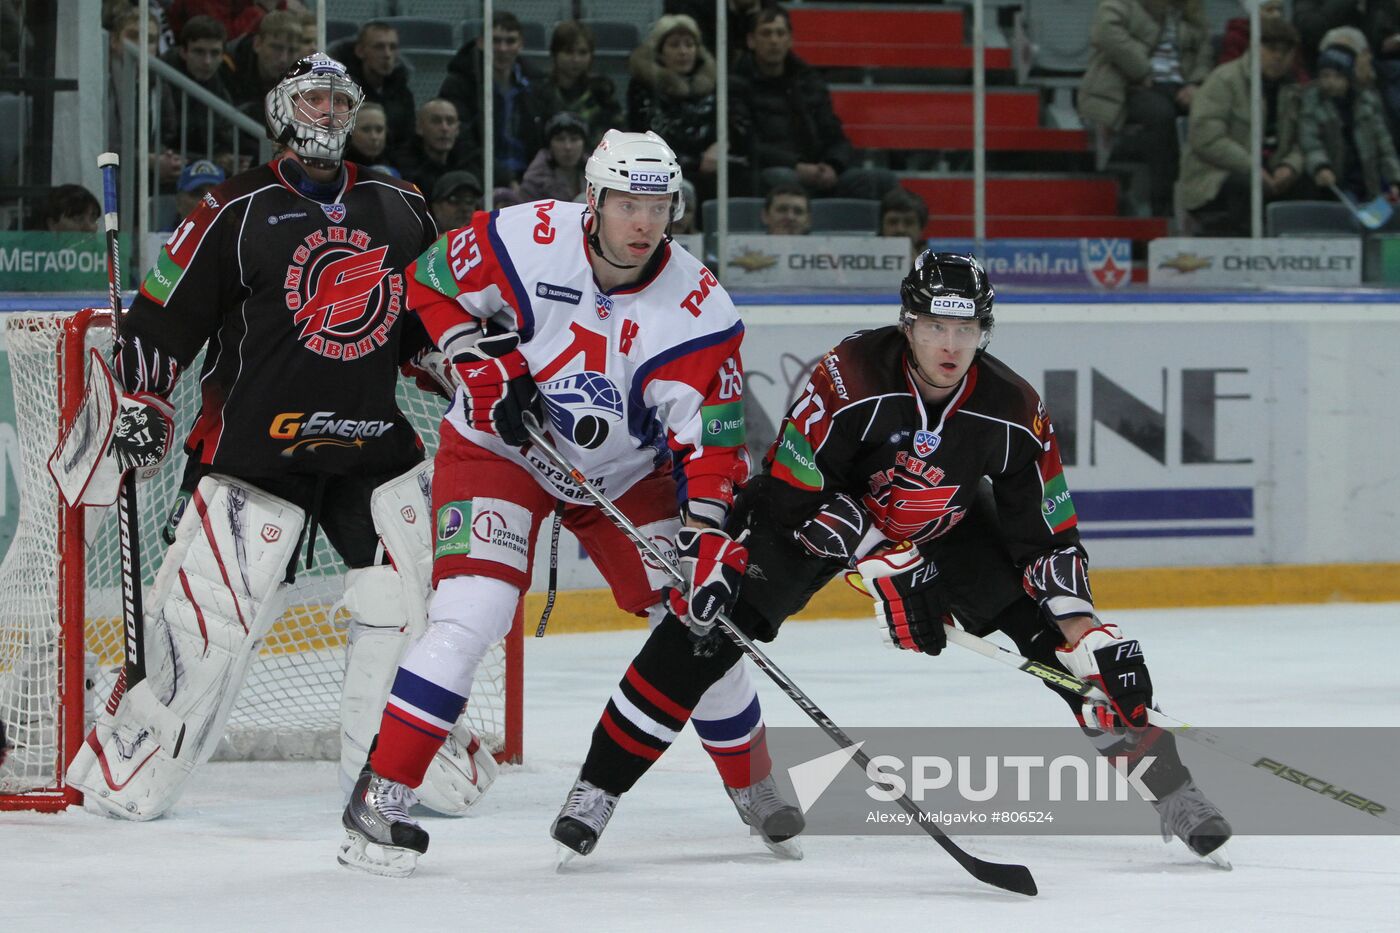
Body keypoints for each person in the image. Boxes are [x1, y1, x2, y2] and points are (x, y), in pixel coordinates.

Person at [559, 250, 1236, 869]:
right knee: (703, 631)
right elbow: (794, 493)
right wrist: (882, 560)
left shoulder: (1013, 411)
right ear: (907, 325)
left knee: (1069, 658)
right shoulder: (848, 375)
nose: (950, 344)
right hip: (820, 517)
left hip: (943, 524)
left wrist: (1086, 633)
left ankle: (1172, 791)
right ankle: (597, 787)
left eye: (967, 328)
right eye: (936, 327)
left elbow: (1047, 538)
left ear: (984, 331)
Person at [338, 129, 796, 877]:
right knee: (474, 608)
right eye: (626, 203)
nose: (642, 222)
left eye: (657, 205)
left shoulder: (702, 309)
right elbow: (427, 279)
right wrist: (475, 358)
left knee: (695, 616)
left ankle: (754, 784)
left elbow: (712, 446)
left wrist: (707, 536)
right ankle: (381, 794)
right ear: (593, 199)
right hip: (501, 450)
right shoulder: (528, 236)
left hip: (623, 473)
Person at [63, 52, 497, 824]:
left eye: (339, 99)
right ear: (282, 109)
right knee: (210, 626)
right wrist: (144, 397)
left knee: (410, 604)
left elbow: (425, 323)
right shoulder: (231, 209)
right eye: (313, 98)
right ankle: (129, 762)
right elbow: (162, 325)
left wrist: (462, 367)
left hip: (369, 448)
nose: (328, 112)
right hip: (254, 450)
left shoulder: (399, 204)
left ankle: (397, 764)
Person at [736, 4, 893, 200]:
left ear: (790, 40)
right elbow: (745, 144)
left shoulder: (809, 81)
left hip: (817, 171)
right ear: (751, 40)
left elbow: (835, 135)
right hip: (775, 172)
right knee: (782, 180)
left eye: (780, 33)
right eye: (766, 34)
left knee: (881, 180)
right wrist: (797, 166)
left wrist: (833, 165)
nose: (774, 40)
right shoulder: (736, 84)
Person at [1077, 0, 1212, 216]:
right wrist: (1142, 70)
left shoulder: (1191, 10)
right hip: (1131, 84)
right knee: (1161, 115)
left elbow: (1204, 50)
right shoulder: (1122, 3)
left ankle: (1206, 202)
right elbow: (1106, 32)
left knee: (1212, 116)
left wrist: (1196, 84)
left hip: (1181, 85)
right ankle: (1162, 203)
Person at [1180, 16, 1307, 235]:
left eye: (1285, 51)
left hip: (1274, 172)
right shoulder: (1223, 79)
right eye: (1271, 48)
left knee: (1310, 183)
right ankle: (1247, 258)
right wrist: (1252, 168)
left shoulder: (1296, 89)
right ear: (1254, 47)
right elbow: (1206, 138)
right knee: (1247, 187)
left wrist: (1291, 166)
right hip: (1217, 175)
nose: (1278, 56)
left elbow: (1306, 138)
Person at [627, 14, 751, 202]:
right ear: (660, 53)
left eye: (689, 44)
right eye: (675, 45)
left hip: (714, 165)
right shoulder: (643, 87)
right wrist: (695, 162)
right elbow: (649, 134)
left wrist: (722, 144)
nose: (683, 51)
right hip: (667, 168)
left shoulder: (716, 83)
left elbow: (737, 123)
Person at [439, 11, 549, 187]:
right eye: (495, 41)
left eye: (510, 41)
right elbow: (462, 143)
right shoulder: (460, 83)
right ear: (481, 43)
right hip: (479, 178)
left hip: (531, 179)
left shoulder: (537, 83)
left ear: (520, 44)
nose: (502, 48)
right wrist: (505, 179)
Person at [1300, 44, 1400, 205]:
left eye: (1337, 76)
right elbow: (1310, 141)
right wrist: (1320, 166)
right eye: (1325, 76)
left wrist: (1395, 180)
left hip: (1369, 184)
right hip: (1338, 186)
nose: (1330, 82)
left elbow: (1384, 147)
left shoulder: (1367, 103)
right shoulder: (1312, 103)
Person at [532, 21, 624, 148]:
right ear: (554, 54)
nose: (576, 59)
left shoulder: (602, 94)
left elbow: (616, 139)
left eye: (583, 53)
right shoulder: (539, 93)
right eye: (568, 52)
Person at [159, 15, 236, 167]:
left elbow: (226, 135)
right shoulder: (161, 80)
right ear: (183, 52)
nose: (207, 61)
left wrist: (224, 156)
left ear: (222, 56)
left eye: (214, 53)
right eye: (199, 52)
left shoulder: (222, 83)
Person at [339, 21, 416, 154]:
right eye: (379, 47)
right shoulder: (343, 91)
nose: (387, 54)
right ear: (360, 51)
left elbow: (408, 141)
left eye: (392, 47)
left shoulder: (402, 92)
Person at [392, 98, 481, 200]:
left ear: (457, 129)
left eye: (450, 121)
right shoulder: (403, 164)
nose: (444, 128)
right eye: (436, 121)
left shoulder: (469, 159)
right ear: (419, 128)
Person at [220, 9, 300, 111]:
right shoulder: (227, 66)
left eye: (292, 51)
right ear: (257, 44)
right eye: (276, 48)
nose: (283, 59)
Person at [517, 111, 588, 203]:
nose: (568, 146)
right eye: (560, 139)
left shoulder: (600, 177)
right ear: (549, 145)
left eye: (574, 139)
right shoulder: (533, 184)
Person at [879, 186, 929, 262]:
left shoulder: (935, 262)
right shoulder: (862, 255)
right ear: (881, 226)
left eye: (909, 222)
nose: (900, 229)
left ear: (921, 229)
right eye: (893, 222)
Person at [344, 101, 397, 173]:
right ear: (351, 131)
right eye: (366, 129)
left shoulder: (400, 165)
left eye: (379, 130)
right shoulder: (340, 171)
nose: (374, 137)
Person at [170, 158, 225, 228]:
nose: (207, 202)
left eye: (215, 195)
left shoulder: (238, 237)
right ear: (179, 202)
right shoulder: (163, 238)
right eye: (197, 193)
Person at [36, 184, 100, 232]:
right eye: (78, 219)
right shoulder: (31, 249)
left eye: (93, 219)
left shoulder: (104, 249)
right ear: (52, 224)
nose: (89, 228)